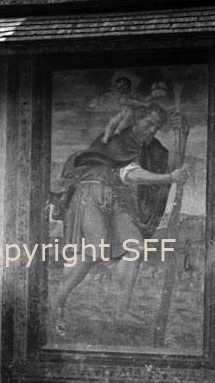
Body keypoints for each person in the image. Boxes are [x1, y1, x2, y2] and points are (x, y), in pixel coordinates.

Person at [50, 103, 189, 334]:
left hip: (118, 199)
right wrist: (168, 178)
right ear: (136, 121)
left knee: (135, 248)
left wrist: (182, 137)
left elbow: (171, 166)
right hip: (92, 192)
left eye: (157, 127)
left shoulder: (150, 147)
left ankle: (121, 310)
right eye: (149, 123)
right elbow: (131, 174)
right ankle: (58, 304)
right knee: (91, 253)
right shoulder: (118, 140)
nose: (152, 130)